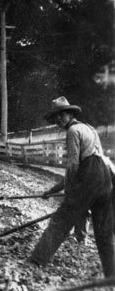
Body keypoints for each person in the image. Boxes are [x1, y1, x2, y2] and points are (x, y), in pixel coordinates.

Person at [29, 97, 115, 276]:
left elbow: (74, 165)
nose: (58, 120)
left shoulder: (73, 131)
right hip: (104, 179)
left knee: (61, 219)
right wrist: (53, 190)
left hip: (90, 176)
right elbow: (94, 162)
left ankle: (36, 261)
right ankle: (112, 274)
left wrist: (69, 192)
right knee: (103, 230)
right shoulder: (89, 129)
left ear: (70, 114)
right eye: (56, 117)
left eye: (61, 115)